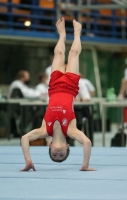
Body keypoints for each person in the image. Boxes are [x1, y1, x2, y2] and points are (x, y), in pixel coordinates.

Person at [20, 17, 95, 172]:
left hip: (54, 86)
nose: (58, 153)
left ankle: (61, 34)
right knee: (74, 53)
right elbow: (87, 142)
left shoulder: (44, 130)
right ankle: (77, 33)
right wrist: (85, 165)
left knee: (58, 52)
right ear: (68, 147)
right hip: (70, 87)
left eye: (55, 154)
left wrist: (28, 161)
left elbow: (24, 138)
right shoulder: (71, 131)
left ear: (50, 145)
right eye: (62, 155)